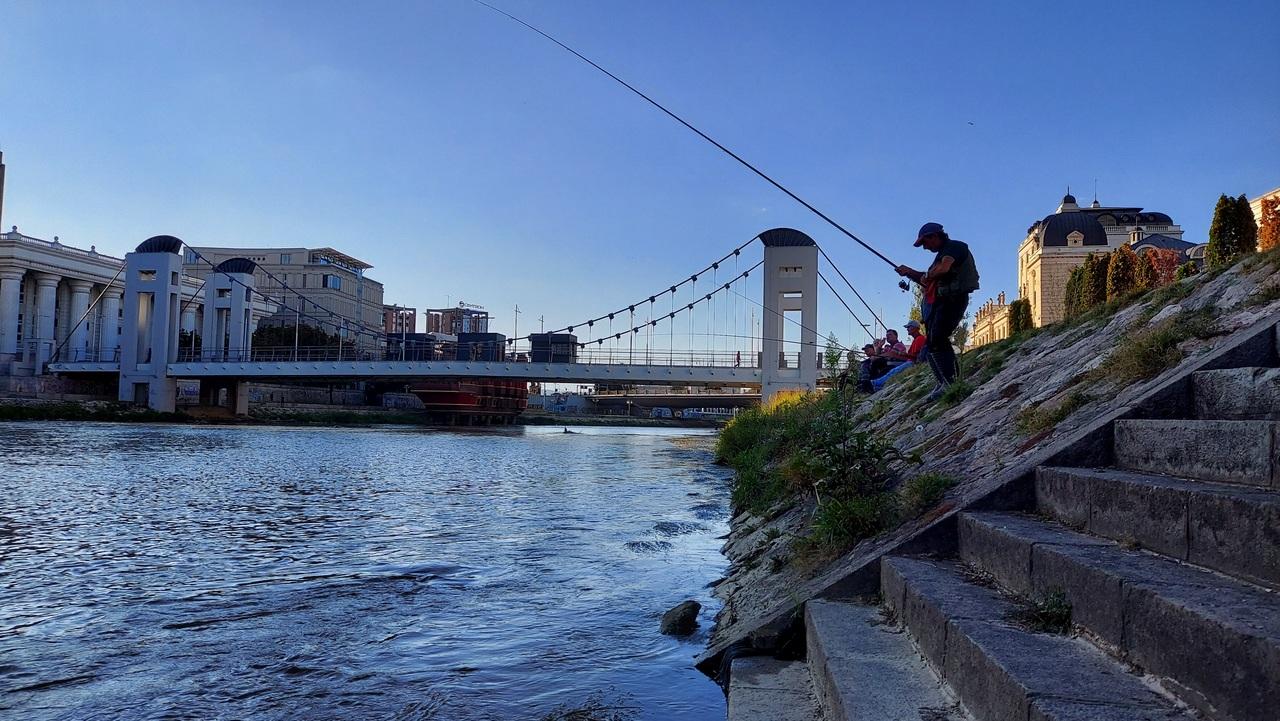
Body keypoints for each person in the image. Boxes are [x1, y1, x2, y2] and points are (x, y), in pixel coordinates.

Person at [895, 222, 979, 400]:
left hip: (954, 299)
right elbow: (927, 280)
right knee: (932, 341)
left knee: (939, 338)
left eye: (924, 243)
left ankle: (951, 381)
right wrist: (909, 272)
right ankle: (943, 381)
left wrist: (927, 275)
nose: (924, 248)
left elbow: (943, 268)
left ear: (934, 236)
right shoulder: (941, 255)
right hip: (941, 302)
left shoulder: (955, 247)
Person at [871, 320, 927, 391]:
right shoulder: (915, 340)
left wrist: (901, 354)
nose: (907, 329)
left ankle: (875, 383)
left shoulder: (920, 339)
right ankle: (876, 384)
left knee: (893, 371)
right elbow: (878, 355)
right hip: (909, 361)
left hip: (911, 362)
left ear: (915, 328)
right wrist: (879, 347)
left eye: (909, 327)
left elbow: (917, 356)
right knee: (887, 369)